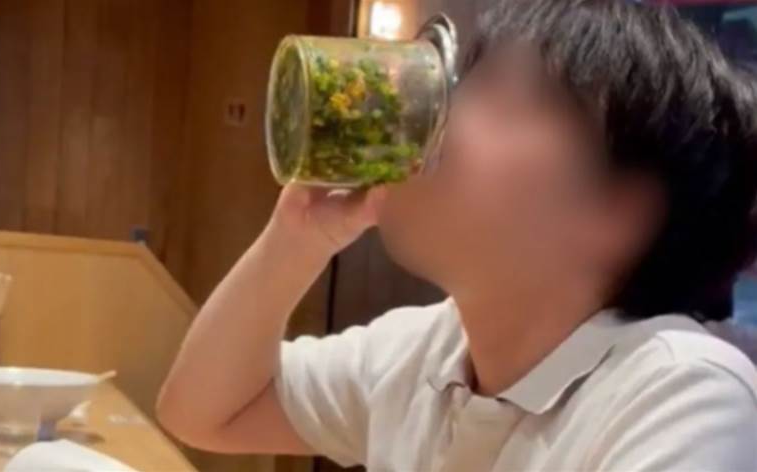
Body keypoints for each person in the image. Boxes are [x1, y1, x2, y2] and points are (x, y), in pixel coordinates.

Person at [157, 0, 757, 469]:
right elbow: (204, 413)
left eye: (505, 104)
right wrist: (298, 239)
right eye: (462, 89)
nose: (436, 124)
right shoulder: (430, 350)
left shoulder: (685, 399)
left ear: (618, 211)